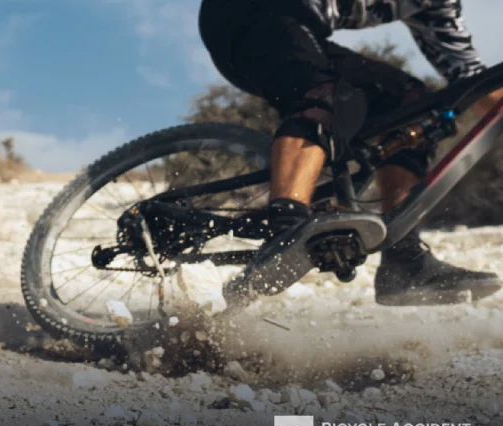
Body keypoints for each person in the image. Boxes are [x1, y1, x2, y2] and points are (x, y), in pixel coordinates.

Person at [198, 0, 503, 306]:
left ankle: (403, 259)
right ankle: (286, 225)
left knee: (411, 104)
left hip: (300, 28)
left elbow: (472, 78)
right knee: (325, 97)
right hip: (245, 13)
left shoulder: (439, 7)